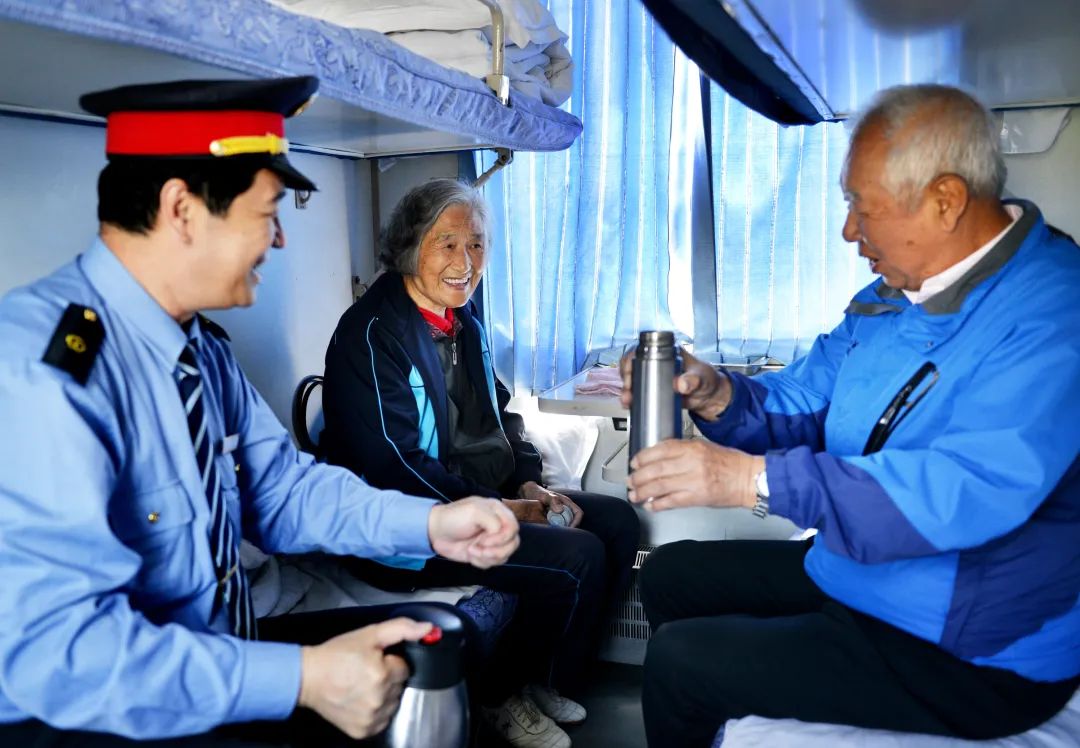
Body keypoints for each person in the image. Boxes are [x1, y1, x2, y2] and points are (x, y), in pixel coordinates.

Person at [0, 76, 521, 747]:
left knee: (428, 647)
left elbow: (281, 489)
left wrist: (430, 524)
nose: (278, 240)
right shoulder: (42, 372)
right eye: (267, 212)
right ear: (182, 209)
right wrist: (301, 679)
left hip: (212, 656)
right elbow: (64, 657)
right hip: (97, 712)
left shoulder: (198, 350)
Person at [620, 83, 1080, 747]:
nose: (849, 231)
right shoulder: (890, 300)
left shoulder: (1053, 315)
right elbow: (805, 401)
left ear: (945, 200)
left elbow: (958, 491)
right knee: (670, 575)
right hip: (870, 578)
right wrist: (718, 393)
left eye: (863, 208)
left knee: (681, 661)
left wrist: (747, 480)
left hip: (972, 646)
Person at [321, 178, 640, 748]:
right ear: (409, 246)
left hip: (482, 495)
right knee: (578, 555)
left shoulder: (461, 322)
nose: (465, 262)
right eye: (447, 244)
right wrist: (503, 511)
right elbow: (395, 465)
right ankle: (497, 695)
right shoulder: (372, 336)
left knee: (616, 521)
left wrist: (530, 486)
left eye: (476, 245)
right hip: (413, 525)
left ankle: (544, 681)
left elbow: (502, 413)